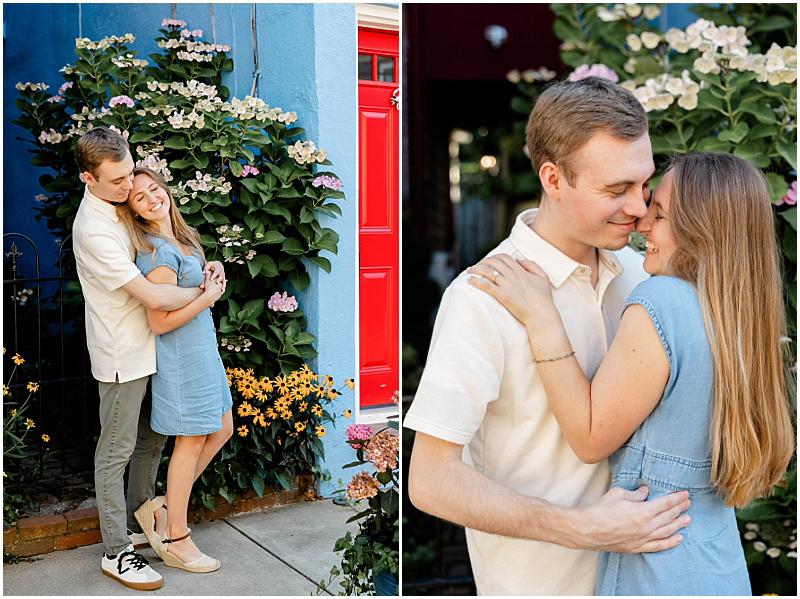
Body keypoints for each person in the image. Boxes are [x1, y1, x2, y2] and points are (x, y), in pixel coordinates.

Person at [404, 77, 692, 596]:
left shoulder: (643, 274)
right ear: (553, 179)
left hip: (649, 579)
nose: (639, 207)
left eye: (643, 184)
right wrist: (582, 527)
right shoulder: (481, 298)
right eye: (616, 190)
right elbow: (430, 481)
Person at [468, 151, 794, 595]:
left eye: (658, 214)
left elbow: (590, 437)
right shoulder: (739, 319)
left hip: (658, 569)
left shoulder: (662, 301)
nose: (642, 225)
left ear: (701, 230)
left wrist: (542, 317)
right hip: (718, 565)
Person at [72, 127, 225, 590]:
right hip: (125, 351)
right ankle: (116, 552)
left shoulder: (120, 207)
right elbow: (153, 294)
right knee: (114, 452)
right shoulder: (95, 229)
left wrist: (202, 268)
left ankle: (143, 525)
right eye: (118, 182)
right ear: (88, 178)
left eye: (129, 176)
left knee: (151, 443)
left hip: (156, 348)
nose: (128, 188)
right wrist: (204, 290)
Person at [114, 167, 234, 573]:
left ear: (165, 190)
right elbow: (159, 321)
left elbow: (195, 282)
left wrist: (211, 269)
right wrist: (208, 297)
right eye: (139, 198)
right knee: (192, 440)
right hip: (183, 359)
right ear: (134, 213)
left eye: (153, 190)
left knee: (222, 429)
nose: (151, 199)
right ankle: (176, 537)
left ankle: (163, 508)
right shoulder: (157, 253)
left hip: (203, 351)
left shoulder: (181, 238)